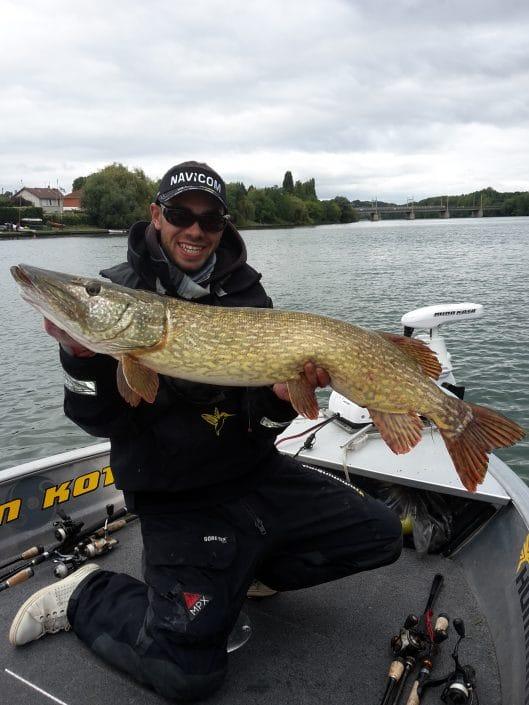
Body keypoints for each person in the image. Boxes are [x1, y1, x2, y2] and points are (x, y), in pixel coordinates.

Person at [9, 161, 402, 700]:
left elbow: (262, 426)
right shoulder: (118, 293)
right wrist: (80, 359)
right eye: (180, 215)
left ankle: (251, 574)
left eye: (210, 219)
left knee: (380, 534)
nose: (195, 230)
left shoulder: (247, 296)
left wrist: (278, 398)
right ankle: (85, 593)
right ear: (156, 216)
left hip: (253, 475)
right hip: (175, 498)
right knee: (186, 675)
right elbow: (100, 421)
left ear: (223, 225)